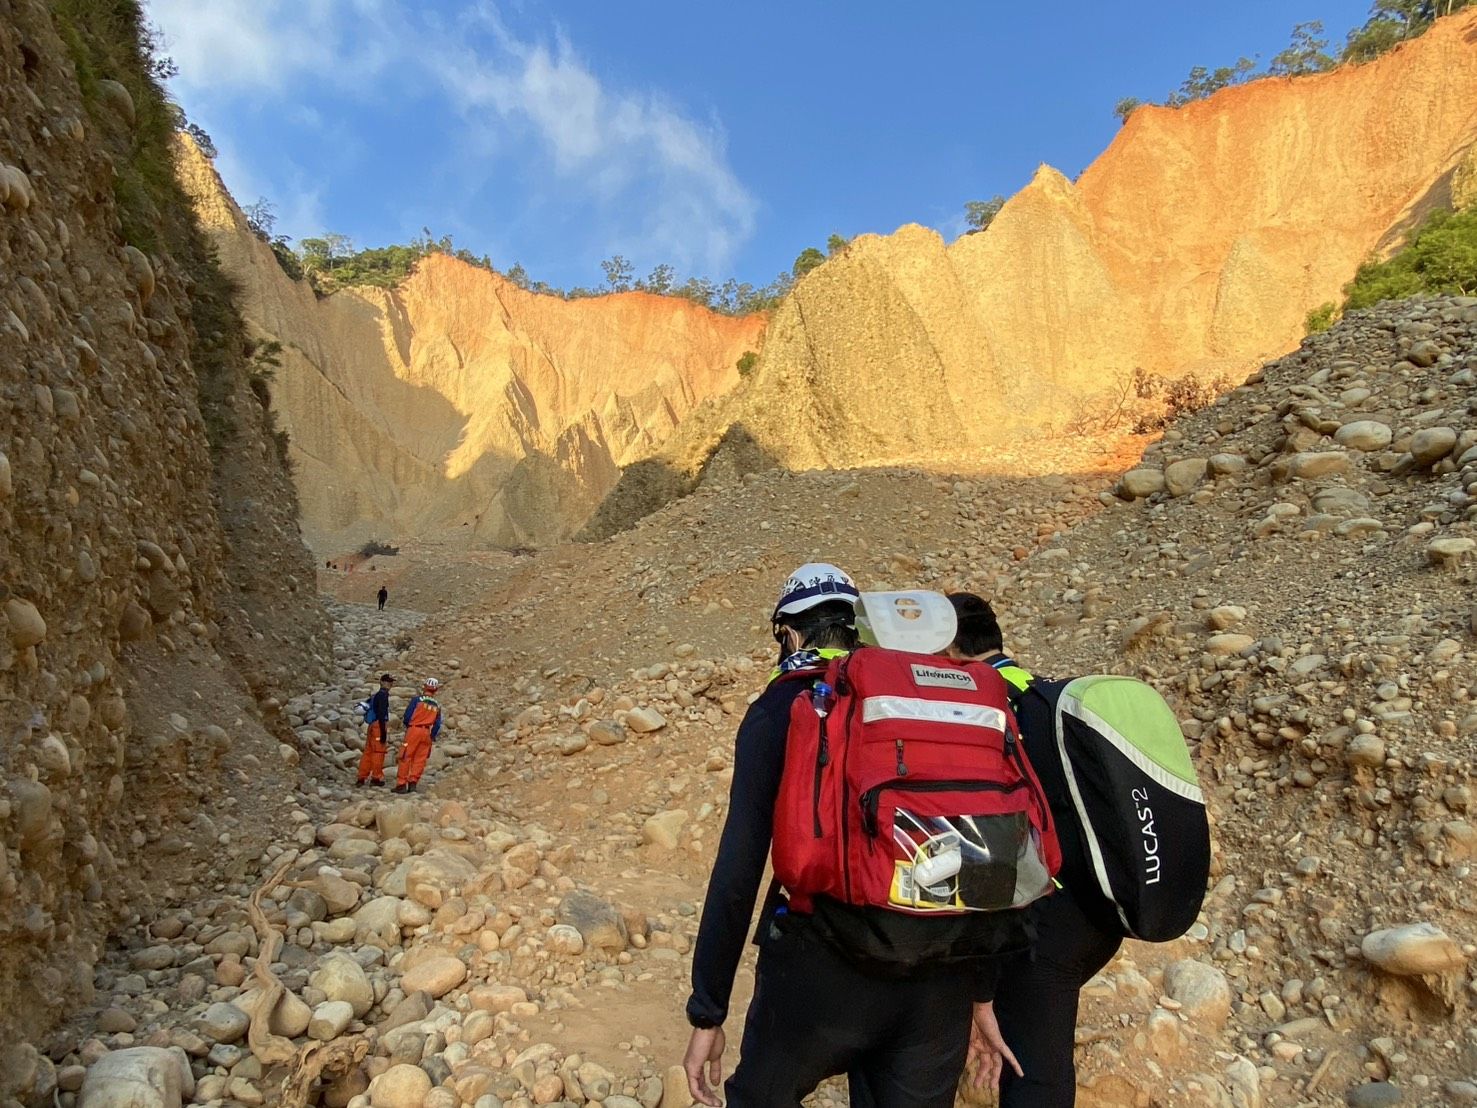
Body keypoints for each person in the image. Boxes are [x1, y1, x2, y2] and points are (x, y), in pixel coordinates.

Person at [682, 565, 1024, 1108]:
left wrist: (708, 1011)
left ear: (788, 634)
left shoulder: (782, 708)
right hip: (940, 976)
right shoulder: (928, 704)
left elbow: (738, 869)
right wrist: (981, 995)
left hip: (824, 969)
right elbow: (985, 845)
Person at [945, 593, 1124, 1108]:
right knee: (1040, 1050)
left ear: (951, 650)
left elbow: (992, 857)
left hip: (1044, 922)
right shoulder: (1042, 694)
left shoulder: (981, 710)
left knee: (1033, 1072)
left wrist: (980, 978)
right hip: (1100, 912)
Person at [393, 678, 442, 793]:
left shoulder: (416, 700)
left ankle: (401, 784)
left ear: (424, 687)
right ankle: (413, 783)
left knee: (405, 756)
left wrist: (408, 727)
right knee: (420, 759)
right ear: (435, 690)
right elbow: (438, 723)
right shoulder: (437, 705)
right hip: (426, 733)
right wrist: (432, 736)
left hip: (414, 729)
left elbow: (407, 716)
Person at [354, 674, 394, 787]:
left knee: (368, 752)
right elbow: (381, 713)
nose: (389, 684)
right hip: (378, 726)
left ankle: (361, 777)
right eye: (387, 681)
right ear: (381, 682)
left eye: (390, 682)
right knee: (378, 752)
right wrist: (383, 733)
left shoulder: (375, 695)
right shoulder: (383, 695)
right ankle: (376, 777)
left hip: (372, 725)